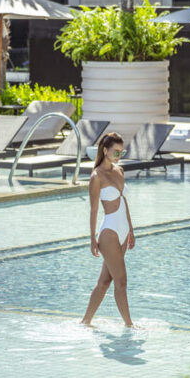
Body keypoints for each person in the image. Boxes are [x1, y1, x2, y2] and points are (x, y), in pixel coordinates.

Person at [81, 132, 135, 327]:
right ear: (105, 150)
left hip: (123, 231)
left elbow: (124, 201)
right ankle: (129, 325)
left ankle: (85, 321)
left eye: (122, 151)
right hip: (109, 232)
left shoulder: (119, 170)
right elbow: (94, 210)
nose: (119, 155)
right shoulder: (96, 177)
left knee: (104, 282)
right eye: (116, 151)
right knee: (121, 282)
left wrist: (131, 230)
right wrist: (92, 239)